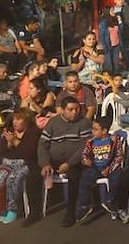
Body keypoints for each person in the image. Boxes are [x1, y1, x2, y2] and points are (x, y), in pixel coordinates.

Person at [39, 96, 93, 226]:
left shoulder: (84, 123)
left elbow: (84, 147)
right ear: (62, 110)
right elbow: (42, 145)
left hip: (74, 161)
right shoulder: (53, 123)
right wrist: (45, 163)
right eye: (70, 109)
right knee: (34, 173)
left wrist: (69, 164)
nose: (74, 112)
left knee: (74, 176)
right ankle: (35, 210)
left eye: (76, 109)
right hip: (54, 159)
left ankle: (71, 211)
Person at [0, 107, 40, 225]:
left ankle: (13, 210)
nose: (15, 122)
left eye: (19, 119)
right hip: (8, 162)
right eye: (14, 119)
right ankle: (4, 208)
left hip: (26, 163)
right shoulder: (10, 131)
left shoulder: (34, 132)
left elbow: (29, 153)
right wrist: (8, 143)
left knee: (13, 178)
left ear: (27, 121)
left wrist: (15, 141)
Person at [75, 116, 125, 224]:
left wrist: (109, 169)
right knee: (84, 178)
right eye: (92, 128)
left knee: (117, 178)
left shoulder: (114, 140)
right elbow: (84, 154)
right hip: (94, 167)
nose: (92, 131)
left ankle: (111, 202)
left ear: (104, 131)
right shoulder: (90, 141)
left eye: (95, 129)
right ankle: (85, 206)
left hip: (110, 167)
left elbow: (119, 156)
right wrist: (86, 160)